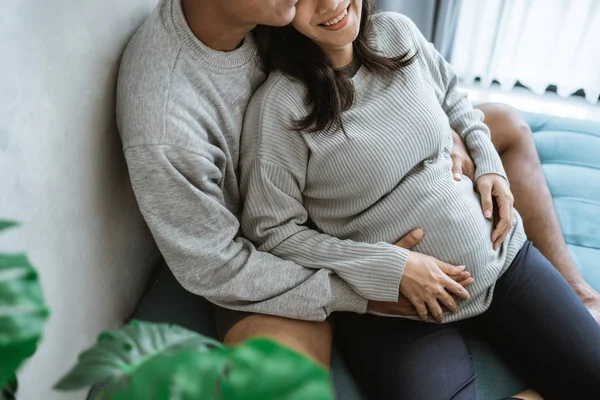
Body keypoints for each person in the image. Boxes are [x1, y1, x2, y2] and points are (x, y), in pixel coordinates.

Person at [116, 0, 600, 397]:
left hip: (493, 258)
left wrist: (460, 138)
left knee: (509, 127)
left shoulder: (327, 21)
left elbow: (445, 90)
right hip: (320, 270)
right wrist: (370, 284)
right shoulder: (181, 120)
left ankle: (578, 292)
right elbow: (228, 259)